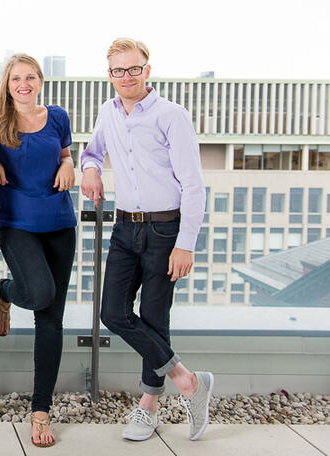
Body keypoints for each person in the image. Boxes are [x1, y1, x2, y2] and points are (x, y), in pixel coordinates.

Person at [80, 37, 212, 442]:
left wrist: (185, 242)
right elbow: (93, 151)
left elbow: (193, 184)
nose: (126, 77)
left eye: (133, 69)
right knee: (113, 314)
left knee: (155, 318)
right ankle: (188, 381)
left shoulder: (172, 115)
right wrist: (90, 168)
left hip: (164, 230)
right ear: (110, 75)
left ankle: (148, 407)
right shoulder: (108, 111)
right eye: (118, 70)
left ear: (147, 71)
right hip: (124, 228)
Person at [0, 54, 77, 448]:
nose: (24, 83)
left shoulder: (58, 117)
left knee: (51, 320)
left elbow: (65, 152)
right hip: (17, 224)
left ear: (40, 81)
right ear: (7, 83)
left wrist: (70, 164)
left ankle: (40, 410)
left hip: (60, 224)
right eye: (17, 78)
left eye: (30, 77)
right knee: (39, 293)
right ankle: (4, 289)